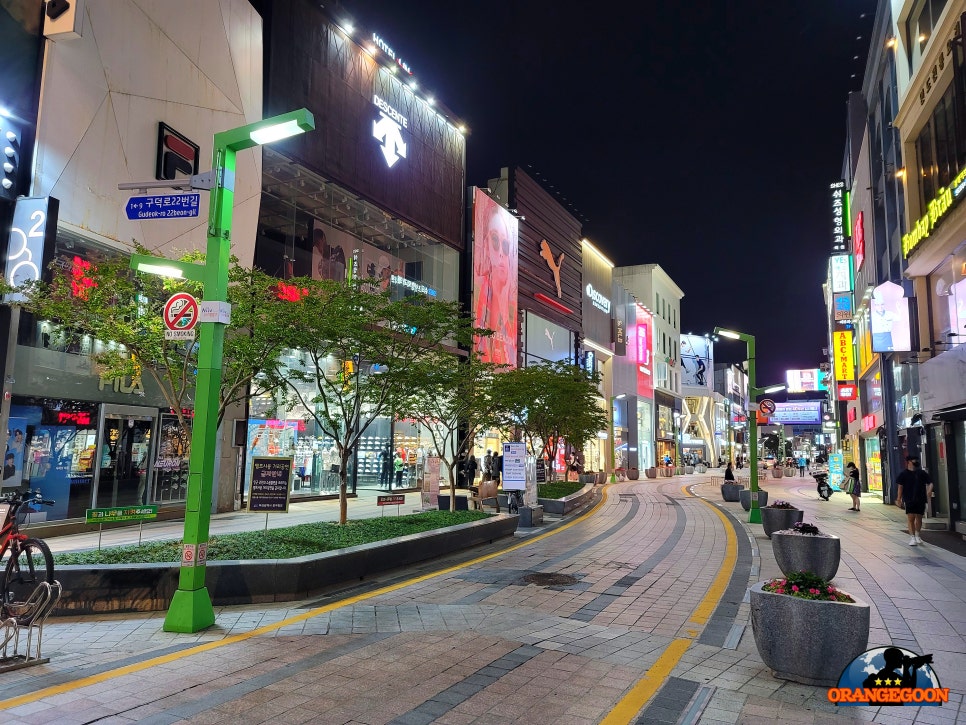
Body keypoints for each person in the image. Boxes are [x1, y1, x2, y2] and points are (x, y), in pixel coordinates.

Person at [896, 455, 934, 546]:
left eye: (917, 460)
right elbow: (900, 487)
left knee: (919, 518)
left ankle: (917, 535)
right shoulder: (903, 474)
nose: (916, 461)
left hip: (921, 498)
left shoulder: (921, 473)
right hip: (909, 498)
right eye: (914, 460)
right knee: (911, 518)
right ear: (909, 461)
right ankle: (912, 537)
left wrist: (929, 490)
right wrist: (899, 499)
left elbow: (930, 482)